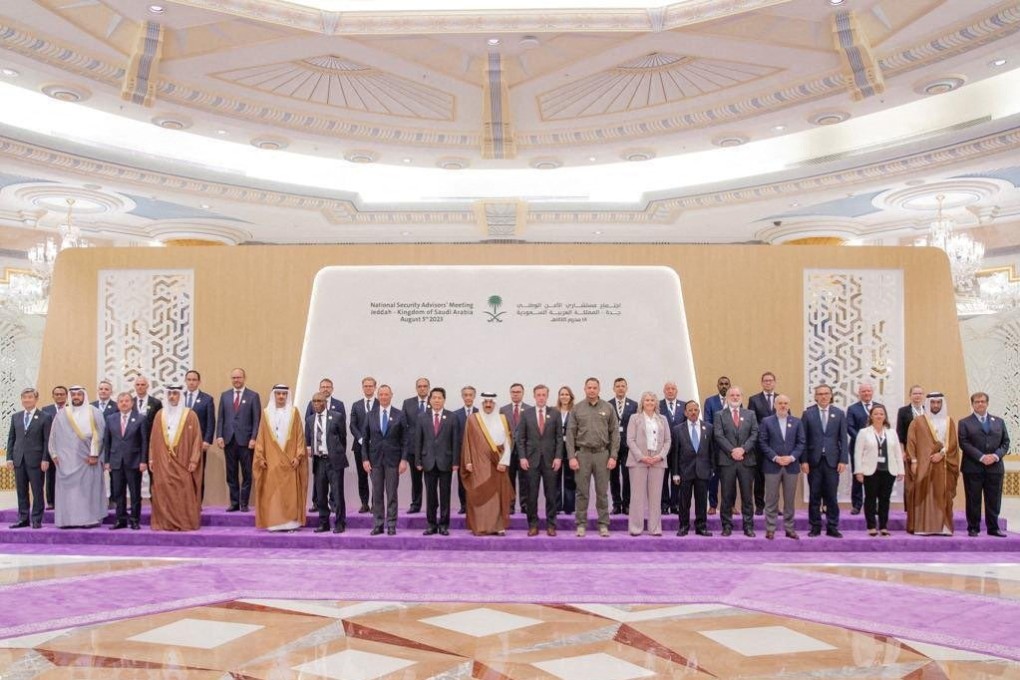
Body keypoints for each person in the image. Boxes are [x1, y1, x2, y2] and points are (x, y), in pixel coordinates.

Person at [566, 378, 620, 538]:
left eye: (594, 387)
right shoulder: (577, 409)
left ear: (599, 389)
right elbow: (570, 435)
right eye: (589, 387)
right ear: (584, 389)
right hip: (582, 455)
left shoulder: (608, 407)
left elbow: (615, 433)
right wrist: (571, 457)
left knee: (602, 492)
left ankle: (603, 525)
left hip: (602, 455)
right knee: (582, 492)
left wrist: (613, 456)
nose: (591, 390)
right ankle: (581, 524)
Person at [48, 386, 106, 528]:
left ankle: (88, 520)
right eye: (73, 394)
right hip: (66, 461)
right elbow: (53, 436)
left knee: (87, 490)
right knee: (70, 493)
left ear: (84, 396)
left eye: (79, 394)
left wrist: (94, 454)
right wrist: (53, 453)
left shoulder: (94, 412)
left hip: (87, 459)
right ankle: (68, 521)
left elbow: (100, 435)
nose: (76, 397)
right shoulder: (62, 414)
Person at [149, 384, 204, 531]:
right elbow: (153, 439)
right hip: (163, 461)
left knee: (183, 490)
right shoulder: (160, 415)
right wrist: (151, 458)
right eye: (170, 394)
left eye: (175, 393)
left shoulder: (190, 415)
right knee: (163, 490)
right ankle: (165, 523)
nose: (172, 396)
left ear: (180, 396)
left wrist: (194, 460)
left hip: (184, 461)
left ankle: (183, 522)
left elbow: (197, 440)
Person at [459, 391, 515, 535]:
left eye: (491, 403)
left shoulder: (502, 419)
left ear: (495, 404)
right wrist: (468, 461)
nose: (488, 405)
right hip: (478, 465)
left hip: (498, 464)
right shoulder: (473, 419)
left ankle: (498, 526)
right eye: (485, 403)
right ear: (482, 404)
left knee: (496, 496)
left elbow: (508, 442)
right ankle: (480, 526)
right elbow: (467, 442)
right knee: (480, 495)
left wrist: (504, 462)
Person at [253, 385, 307, 531]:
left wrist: (298, 456)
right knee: (273, 492)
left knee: (290, 493)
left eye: (284, 394)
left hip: (290, 461)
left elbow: (300, 437)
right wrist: (260, 456)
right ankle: (274, 522)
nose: (281, 396)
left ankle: (291, 523)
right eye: (279, 394)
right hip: (272, 460)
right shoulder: (266, 413)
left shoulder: (294, 413)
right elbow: (261, 437)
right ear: (274, 396)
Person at [906, 392, 960, 536]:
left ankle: (944, 527)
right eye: (933, 402)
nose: (935, 405)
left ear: (942, 403)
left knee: (942, 495)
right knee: (924, 494)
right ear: (928, 403)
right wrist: (914, 461)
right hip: (924, 466)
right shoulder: (918, 421)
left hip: (944, 465)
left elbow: (953, 443)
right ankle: (923, 527)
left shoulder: (949, 421)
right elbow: (911, 443)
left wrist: (941, 454)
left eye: (938, 402)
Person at [958, 392, 1010, 537]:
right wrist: (981, 457)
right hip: (973, 467)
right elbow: (964, 443)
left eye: (982, 401)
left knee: (993, 499)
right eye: (977, 402)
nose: (980, 404)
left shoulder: (999, 421)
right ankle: (973, 527)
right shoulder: (964, 423)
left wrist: (995, 456)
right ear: (972, 404)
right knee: (973, 499)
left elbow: (1005, 443)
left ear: (987, 403)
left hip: (995, 468)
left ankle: (993, 528)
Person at [801, 384, 849, 538]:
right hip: (814, 462)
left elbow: (843, 438)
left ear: (831, 395)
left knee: (831, 496)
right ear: (815, 396)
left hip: (832, 462)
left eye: (826, 393)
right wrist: (804, 461)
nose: (823, 396)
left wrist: (843, 460)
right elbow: (803, 439)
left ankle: (832, 526)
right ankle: (815, 526)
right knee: (814, 495)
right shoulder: (808, 414)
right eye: (820, 394)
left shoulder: (839, 413)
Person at [516, 384, 563, 536]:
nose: (541, 397)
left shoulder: (555, 413)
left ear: (547, 396)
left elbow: (559, 439)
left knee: (551, 494)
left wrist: (558, 457)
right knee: (531, 495)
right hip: (531, 461)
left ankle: (551, 525)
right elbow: (520, 438)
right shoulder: (526, 414)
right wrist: (522, 457)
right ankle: (533, 525)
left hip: (550, 461)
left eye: (544, 395)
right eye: (538, 395)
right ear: (534, 396)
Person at [363, 385, 410, 535]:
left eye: (386, 394)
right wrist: (365, 459)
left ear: (391, 395)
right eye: (381, 394)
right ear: (378, 396)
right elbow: (365, 440)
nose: (383, 397)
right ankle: (378, 524)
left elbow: (405, 440)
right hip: (375, 461)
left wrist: (404, 460)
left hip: (393, 461)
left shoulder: (400, 414)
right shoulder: (370, 415)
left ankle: (391, 524)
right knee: (376, 494)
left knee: (391, 493)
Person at [714, 386, 759, 537]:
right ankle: (727, 526)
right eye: (732, 395)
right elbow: (718, 435)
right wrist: (732, 451)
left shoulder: (750, 414)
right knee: (726, 496)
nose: (734, 397)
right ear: (727, 398)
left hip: (746, 461)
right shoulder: (719, 415)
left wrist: (743, 450)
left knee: (747, 496)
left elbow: (754, 434)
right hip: (727, 461)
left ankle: (748, 526)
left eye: (737, 395)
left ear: (742, 397)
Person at [757, 394, 804, 540]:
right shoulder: (767, 422)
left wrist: (791, 457)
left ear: (789, 405)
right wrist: (776, 458)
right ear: (775, 406)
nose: (783, 406)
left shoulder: (796, 422)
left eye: (785, 403)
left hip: (791, 466)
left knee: (789, 500)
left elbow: (801, 442)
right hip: (772, 466)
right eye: (780, 403)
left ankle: (789, 528)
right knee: (771, 499)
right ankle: (770, 529)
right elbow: (762, 442)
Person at [414, 387, 460, 536]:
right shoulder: (422, 417)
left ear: (444, 400)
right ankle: (431, 524)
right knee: (431, 496)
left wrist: (455, 461)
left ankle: (444, 525)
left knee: (445, 495)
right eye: (434, 398)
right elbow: (418, 441)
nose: (437, 400)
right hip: (428, 461)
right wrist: (418, 460)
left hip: (446, 462)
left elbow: (455, 441)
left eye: (439, 398)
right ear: (430, 399)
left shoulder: (452, 417)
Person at [854, 404, 904, 536]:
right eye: (876, 413)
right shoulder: (864, 432)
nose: (879, 416)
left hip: (888, 470)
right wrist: (858, 471)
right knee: (870, 498)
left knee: (885, 499)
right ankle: (871, 526)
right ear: (871, 416)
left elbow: (897, 452)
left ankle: (883, 526)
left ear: (885, 416)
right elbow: (858, 453)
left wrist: (901, 470)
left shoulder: (891, 433)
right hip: (870, 470)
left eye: (881, 413)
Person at [216, 368, 261, 512]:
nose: (236, 380)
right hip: (229, 440)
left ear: (244, 378)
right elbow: (221, 418)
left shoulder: (253, 396)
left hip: (246, 441)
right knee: (231, 473)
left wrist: (254, 438)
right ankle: (234, 502)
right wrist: (219, 436)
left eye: (239, 377)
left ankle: (244, 503)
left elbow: (256, 420)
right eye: (234, 378)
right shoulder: (225, 396)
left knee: (247, 473)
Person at [102, 391, 149, 530]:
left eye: (127, 401)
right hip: (116, 461)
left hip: (134, 461)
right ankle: (120, 519)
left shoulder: (140, 418)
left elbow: (144, 442)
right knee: (118, 493)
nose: (124, 403)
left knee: (135, 493)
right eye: (121, 401)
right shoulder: (111, 418)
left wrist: (143, 461)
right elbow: (107, 441)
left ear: (132, 403)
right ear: (118, 404)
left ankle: (135, 520)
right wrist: (107, 461)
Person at [6, 387, 52, 529]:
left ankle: (37, 519)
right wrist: (9, 458)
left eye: (30, 397)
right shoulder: (16, 416)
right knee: (21, 490)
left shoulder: (45, 416)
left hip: (37, 460)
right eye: (24, 398)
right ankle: (23, 518)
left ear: (36, 399)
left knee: (37, 490)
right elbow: (11, 439)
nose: (27, 400)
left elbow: (47, 440)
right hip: (19, 459)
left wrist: (46, 458)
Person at [626, 391, 670, 536]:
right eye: (647, 400)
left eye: (652, 400)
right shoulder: (635, 418)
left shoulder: (662, 419)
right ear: (642, 403)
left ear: (656, 403)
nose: (650, 402)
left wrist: (660, 456)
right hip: (638, 462)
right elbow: (630, 440)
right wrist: (642, 457)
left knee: (656, 497)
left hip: (657, 462)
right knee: (637, 497)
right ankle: (635, 528)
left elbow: (667, 441)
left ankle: (655, 528)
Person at [306, 391, 348, 533]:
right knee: (321, 494)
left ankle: (340, 523)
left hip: (334, 461)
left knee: (337, 493)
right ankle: (324, 523)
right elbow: (309, 439)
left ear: (325, 403)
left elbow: (343, 438)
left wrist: (337, 453)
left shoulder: (336, 417)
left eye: (319, 401)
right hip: (319, 461)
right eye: (314, 401)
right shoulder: (310, 420)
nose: (317, 404)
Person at [670, 400, 713, 537]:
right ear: (685, 412)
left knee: (701, 501)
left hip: (703, 470)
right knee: (684, 502)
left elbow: (712, 451)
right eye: (690, 410)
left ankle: (701, 527)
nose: (693, 412)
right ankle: (683, 526)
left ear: (699, 411)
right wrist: (675, 473)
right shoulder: (677, 429)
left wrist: (712, 469)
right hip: (684, 471)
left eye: (695, 410)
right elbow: (675, 453)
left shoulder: (709, 427)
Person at [846, 382, 883, 516]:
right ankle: (857, 505)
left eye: (868, 391)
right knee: (858, 476)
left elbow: (885, 425)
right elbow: (849, 427)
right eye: (863, 391)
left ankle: (876, 504)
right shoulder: (852, 409)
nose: (866, 393)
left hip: (877, 448)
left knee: (876, 476)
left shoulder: (879, 407)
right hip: (858, 448)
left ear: (872, 392)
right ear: (859, 393)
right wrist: (863, 440)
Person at [747, 372, 778, 516]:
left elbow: (786, 419)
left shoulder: (781, 399)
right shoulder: (754, 399)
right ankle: (759, 505)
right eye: (765, 381)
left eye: (770, 380)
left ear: (774, 382)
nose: (768, 383)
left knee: (775, 477)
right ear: (761, 383)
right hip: (759, 444)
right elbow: (752, 421)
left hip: (777, 445)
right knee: (759, 476)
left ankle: (774, 506)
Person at [183, 370, 215, 501]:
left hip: (199, 443)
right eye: (189, 379)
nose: (191, 382)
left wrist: (207, 440)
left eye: (194, 380)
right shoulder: (179, 397)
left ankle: (197, 502)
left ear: (199, 382)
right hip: (182, 444)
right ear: (185, 381)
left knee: (198, 473)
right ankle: (183, 502)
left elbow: (210, 421)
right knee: (182, 473)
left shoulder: (207, 399)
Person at [500, 383, 532, 515]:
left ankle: (524, 505)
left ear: (523, 393)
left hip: (524, 450)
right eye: (513, 392)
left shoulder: (529, 409)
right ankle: (510, 505)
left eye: (518, 392)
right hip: (509, 450)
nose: (515, 394)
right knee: (509, 479)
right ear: (510, 393)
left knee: (525, 479)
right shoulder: (503, 409)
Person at [348, 376, 377, 514]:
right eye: (366, 386)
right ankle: (364, 503)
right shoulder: (356, 405)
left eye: (370, 386)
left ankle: (375, 504)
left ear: (375, 387)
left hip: (376, 447)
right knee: (362, 476)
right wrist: (361, 439)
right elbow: (352, 425)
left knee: (376, 476)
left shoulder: (380, 403)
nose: (368, 388)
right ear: (362, 388)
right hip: (359, 446)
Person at [401, 377, 431, 513]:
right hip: (414, 449)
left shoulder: (435, 401)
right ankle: (416, 504)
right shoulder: (408, 403)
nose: (422, 388)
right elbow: (403, 428)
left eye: (425, 386)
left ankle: (432, 505)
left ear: (428, 388)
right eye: (420, 386)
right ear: (416, 388)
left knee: (431, 481)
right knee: (416, 480)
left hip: (431, 449)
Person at [896, 384, 926, 520]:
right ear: (910, 395)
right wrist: (902, 451)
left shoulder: (928, 411)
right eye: (915, 393)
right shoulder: (903, 411)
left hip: (925, 451)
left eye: (920, 393)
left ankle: (923, 508)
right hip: (909, 450)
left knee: (924, 479)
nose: (917, 396)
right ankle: (909, 509)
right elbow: (900, 433)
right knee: (910, 482)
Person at [702, 376, 730, 515]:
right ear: (717, 386)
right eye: (721, 384)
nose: (724, 386)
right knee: (713, 477)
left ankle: (730, 505)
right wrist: (720, 436)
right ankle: (713, 504)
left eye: (726, 384)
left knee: (730, 477)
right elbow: (707, 421)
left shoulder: (735, 400)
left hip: (731, 447)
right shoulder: (710, 401)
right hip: (715, 445)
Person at [609, 378, 638, 515]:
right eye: (618, 386)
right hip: (612, 447)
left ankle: (627, 504)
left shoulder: (634, 405)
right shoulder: (607, 405)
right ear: (613, 388)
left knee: (627, 477)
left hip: (628, 446)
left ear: (627, 388)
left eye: (623, 386)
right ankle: (616, 504)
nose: (620, 388)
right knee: (613, 477)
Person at [658, 381, 685, 514]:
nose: (670, 391)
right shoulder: (657, 405)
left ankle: (675, 504)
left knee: (677, 476)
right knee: (663, 477)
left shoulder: (684, 406)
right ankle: (664, 504)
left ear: (676, 391)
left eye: (672, 389)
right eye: (667, 389)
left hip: (679, 448)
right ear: (664, 391)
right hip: (662, 448)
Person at [41, 385, 68, 509]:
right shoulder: (46, 410)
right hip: (52, 448)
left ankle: (66, 501)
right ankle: (51, 501)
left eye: (62, 394)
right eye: (56, 394)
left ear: (66, 396)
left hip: (68, 449)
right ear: (53, 396)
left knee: (67, 475)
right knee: (51, 475)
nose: (59, 396)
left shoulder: (71, 409)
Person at [454, 385, 479, 514]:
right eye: (466, 395)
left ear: (474, 396)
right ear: (462, 396)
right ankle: (463, 505)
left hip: (477, 455)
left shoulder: (480, 414)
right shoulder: (455, 415)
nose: (468, 397)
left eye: (470, 395)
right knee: (462, 481)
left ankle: (475, 505)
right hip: (461, 454)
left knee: (476, 481)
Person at [556, 386, 576, 514]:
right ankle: (557, 506)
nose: (564, 396)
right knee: (555, 478)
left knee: (570, 478)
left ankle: (569, 507)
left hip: (571, 449)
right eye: (562, 394)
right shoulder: (553, 412)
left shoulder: (575, 412)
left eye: (567, 394)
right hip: (556, 449)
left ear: (571, 397)